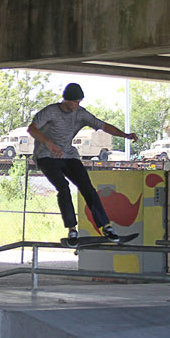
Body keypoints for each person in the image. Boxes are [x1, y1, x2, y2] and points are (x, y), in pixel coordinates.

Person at [28, 83, 139, 247]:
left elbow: (103, 126)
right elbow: (32, 129)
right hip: (46, 156)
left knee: (87, 187)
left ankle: (106, 227)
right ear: (66, 100)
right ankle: (72, 229)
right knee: (63, 188)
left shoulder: (81, 114)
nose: (76, 106)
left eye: (79, 102)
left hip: (69, 155)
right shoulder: (50, 111)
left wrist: (125, 135)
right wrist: (49, 144)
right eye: (74, 102)